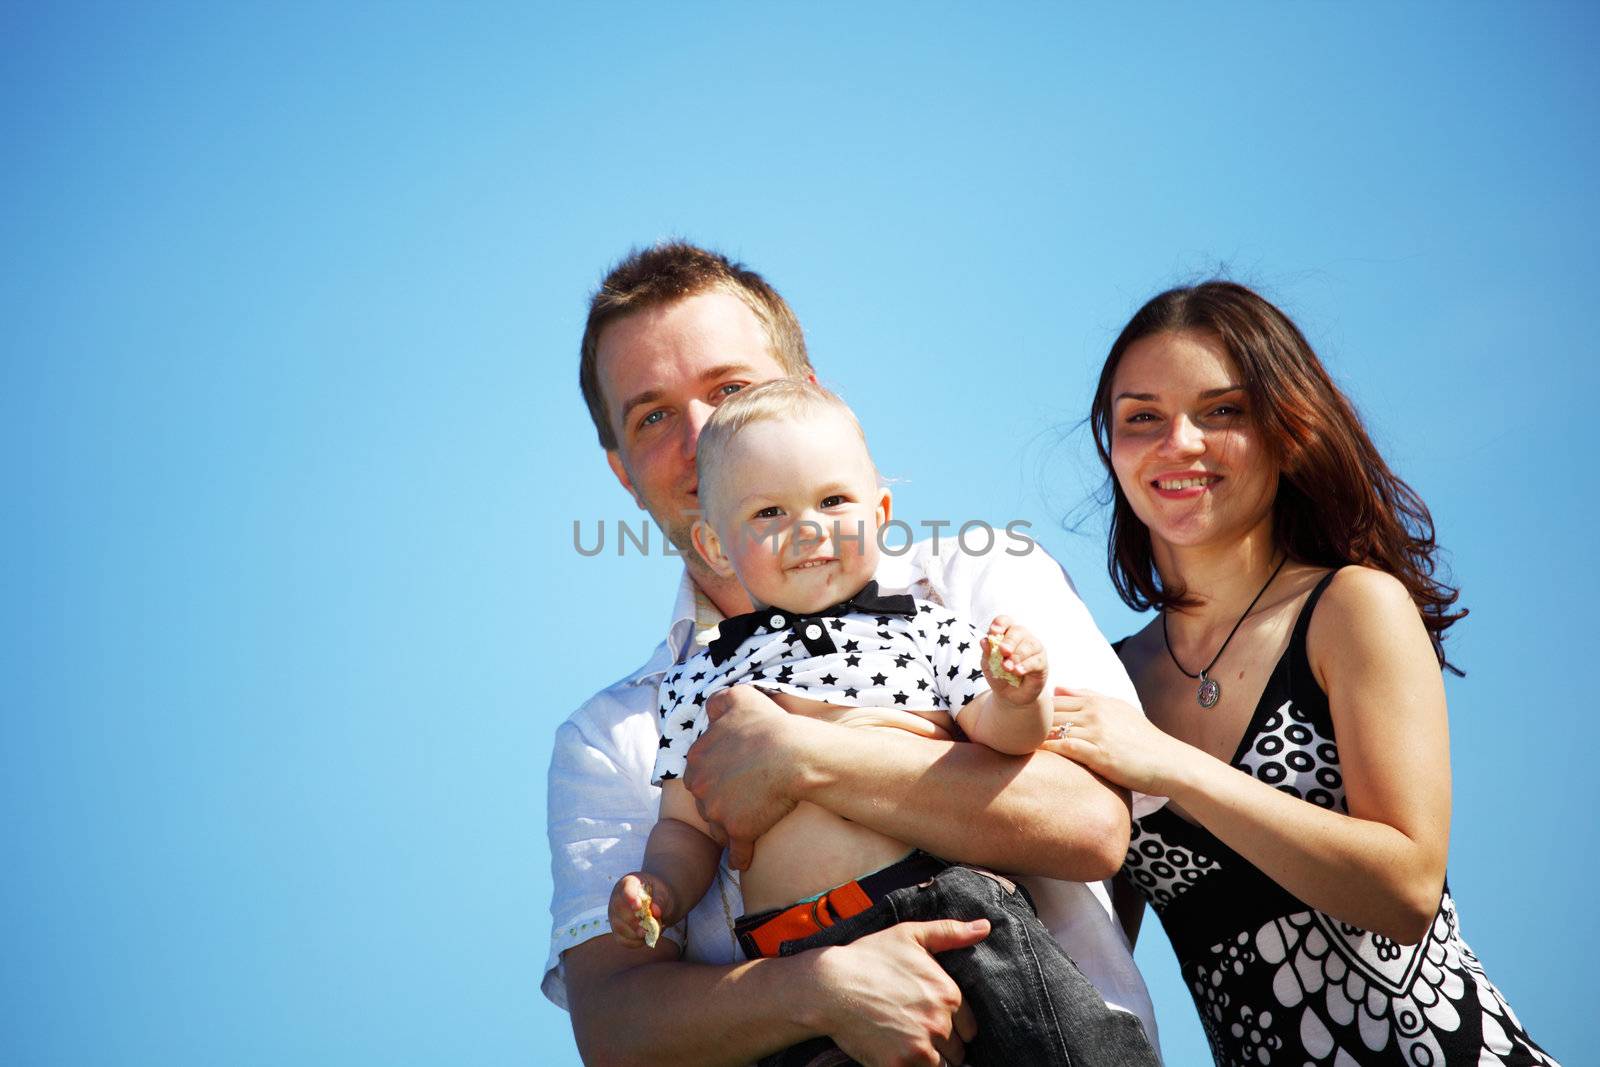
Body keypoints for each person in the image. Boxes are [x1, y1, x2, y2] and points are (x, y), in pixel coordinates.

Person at [546, 241, 1161, 1066]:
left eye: (731, 388)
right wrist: (821, 989)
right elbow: (616, 1030)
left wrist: (800, 756)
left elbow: (1088, 824)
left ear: (811, 395)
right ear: (623, 474)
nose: (700, 434)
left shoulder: (973, 583)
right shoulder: (617, 731)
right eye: (652, 415)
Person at [1043, 281, 1557, 1065]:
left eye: (1222, 411)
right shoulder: (1111, 679)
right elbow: (1088, 957)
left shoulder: (1352, 608)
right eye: (1142, 417)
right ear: (1112, 447)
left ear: (1287, 430)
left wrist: (1169, 765)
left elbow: (1407, 889)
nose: (1178, 441)